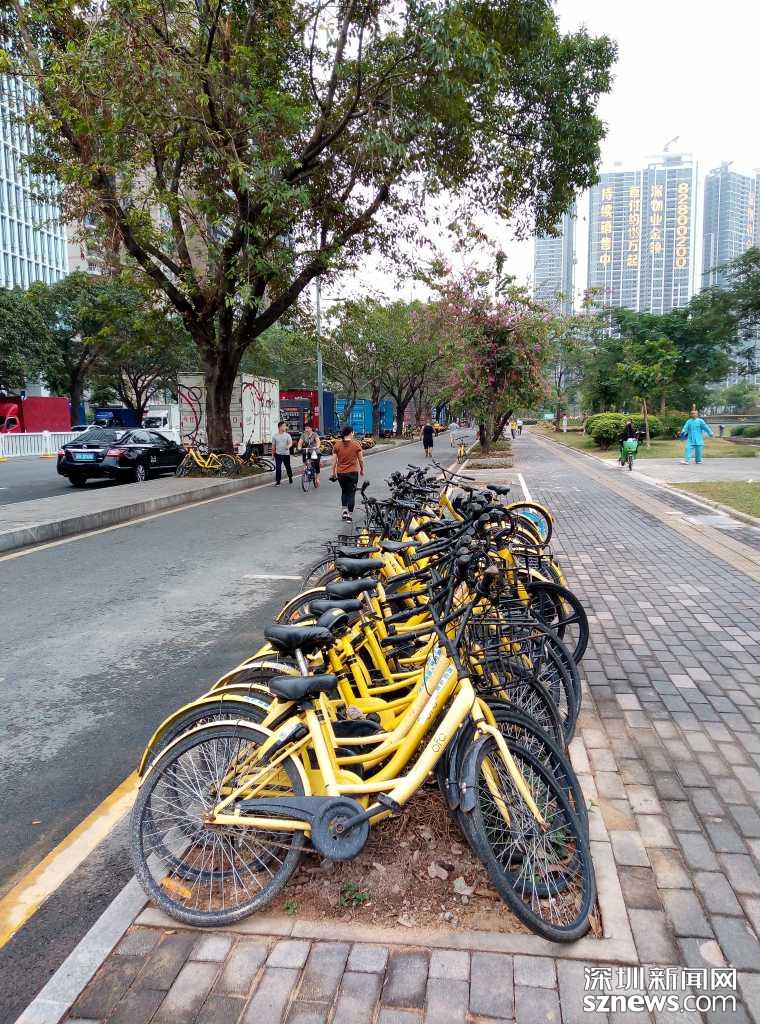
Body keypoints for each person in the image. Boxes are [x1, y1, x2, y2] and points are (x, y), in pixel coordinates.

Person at [330, 426, 364, 522]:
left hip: (340, 473)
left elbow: (334, 461)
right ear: (350, 433)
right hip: (352, 472)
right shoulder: (356, 444)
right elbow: (361, 459)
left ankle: (344, 511)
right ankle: (349, 515)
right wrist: (362, 469)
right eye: (353, 432)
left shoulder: (337, 444)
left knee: (344, 491)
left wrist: (333, 473)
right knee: (351, 493)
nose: (353, 434)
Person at [271, 420, 293, 485]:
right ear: (280, 427)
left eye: (285, 426)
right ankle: (278, 481)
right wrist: (272, 455)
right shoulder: (275, 436)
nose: (285, 427)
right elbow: (273, 446)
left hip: (286, 454)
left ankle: (290, 477)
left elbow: (290, 443)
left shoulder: (287, 435)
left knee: (288, 466)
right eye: (284, 426)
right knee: (278, 467)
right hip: (278, 454)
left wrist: (288, 446)